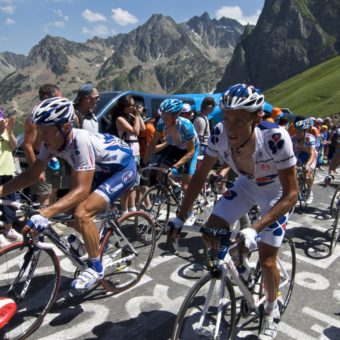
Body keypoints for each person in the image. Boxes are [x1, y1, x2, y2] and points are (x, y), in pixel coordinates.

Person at [167, 83, 298, 340]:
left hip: (276, 194)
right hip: (246, 185)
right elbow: (199, 177)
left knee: (268, 258)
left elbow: (292, 194)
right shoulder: (219, 134)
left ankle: (272, 307)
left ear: (257, 117)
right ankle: (241, 265)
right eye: (226, 119)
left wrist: (254, 228)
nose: (231, 128)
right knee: (211, 231)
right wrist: (180, 216)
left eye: (238, 121)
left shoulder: (275, 138)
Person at [0, 97, 136, 290]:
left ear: (65, 128)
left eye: (46, 131)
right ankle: (94, 243)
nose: (42, 137)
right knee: (70, 216)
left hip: (122, 169)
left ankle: (96, 268)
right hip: (98, 168)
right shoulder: (50, 144)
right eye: (40, 130)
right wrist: (2, 191)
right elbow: (32, 174)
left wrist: (46, 212)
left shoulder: (80, 141)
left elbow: (81, 190)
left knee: (82, 213)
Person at [144, 98, 199, 196]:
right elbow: (152, 144)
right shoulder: (161, 122)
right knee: (160, 177)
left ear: (175, 115)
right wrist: (144, 162)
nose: (163, 117)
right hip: (176, 147)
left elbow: (191, 152)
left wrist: (175, 166)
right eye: (163, 113)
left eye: (166, 115)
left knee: (186, 187)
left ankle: (189, 211)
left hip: (190, 150)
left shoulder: (186, 126)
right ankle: (174, 186)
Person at [24, 84, 62, 206]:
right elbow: (28, 145)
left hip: (55, 160)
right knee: (44, 194)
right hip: (41, 161)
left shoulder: (54, 115)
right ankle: (41, 222)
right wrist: (37, 171)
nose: (60, 101)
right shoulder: (33, 118)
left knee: (54, 190)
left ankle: (50, 219)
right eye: (57, 97)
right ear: (46, 98)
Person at [108, 95, 145, 215]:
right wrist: (138, 116)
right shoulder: (120, 119)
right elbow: (135, 131)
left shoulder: (131, 116)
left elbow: (143, 128)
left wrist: (137, 116)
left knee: (135, 183)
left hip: (136, 153)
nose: (134, 107)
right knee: (126, 184)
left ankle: (132, 208)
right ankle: (124, 209)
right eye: (132, 105)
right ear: (125, 107)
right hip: (127, 154)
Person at [0, 110, 23, 248]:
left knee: (9, 203)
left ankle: (8, 229)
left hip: (7, 172)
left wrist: (10, 130)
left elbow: (14, 146)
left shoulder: (6, 132)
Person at [291, 116, 317, 203]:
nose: (298, 133)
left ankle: (309, 191)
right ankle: (296, 192)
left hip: (310, 156)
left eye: (301, 131)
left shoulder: (310, 138)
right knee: (294, 174)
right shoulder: (293, 139)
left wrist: (308, 165)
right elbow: (290, 154)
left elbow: (312, 154)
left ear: (305, 131)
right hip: (299, 156)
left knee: (307, 174)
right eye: (297, 131)